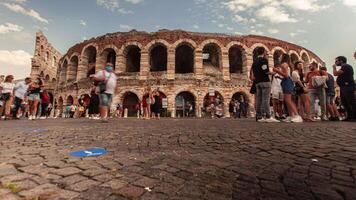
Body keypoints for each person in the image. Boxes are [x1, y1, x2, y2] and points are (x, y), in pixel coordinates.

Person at [252, 47, 279, 123]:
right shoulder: (263, 60)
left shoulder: (254, 61)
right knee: (265, 99)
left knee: (259, 99)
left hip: (257, 82)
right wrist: (274, 73)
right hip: (265, 81)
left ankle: (259, 116)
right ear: (263, 52)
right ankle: (268, 116)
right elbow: (266, 71)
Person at [273, 54, 303, 123]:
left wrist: (276, 71)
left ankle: (297, 115)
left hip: (287, 82)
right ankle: (291, 116)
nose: (279, 57)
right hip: (286, 82)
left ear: (283, 57)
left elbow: (286, 75)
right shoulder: (286, 64)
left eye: (280, 56)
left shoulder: (284, 64)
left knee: (288, 100)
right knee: (287, 100)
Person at [333, 56, 356, 121]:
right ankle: (349, 116)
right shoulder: (344, 67)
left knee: (351, 102)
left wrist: (334, 68)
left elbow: (335, 73)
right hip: (344, 87)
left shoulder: (346, 66)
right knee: (345, 102)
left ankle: (354, 117)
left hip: (348, 86)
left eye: (336, 61)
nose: (335, 62)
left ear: (341, 61)